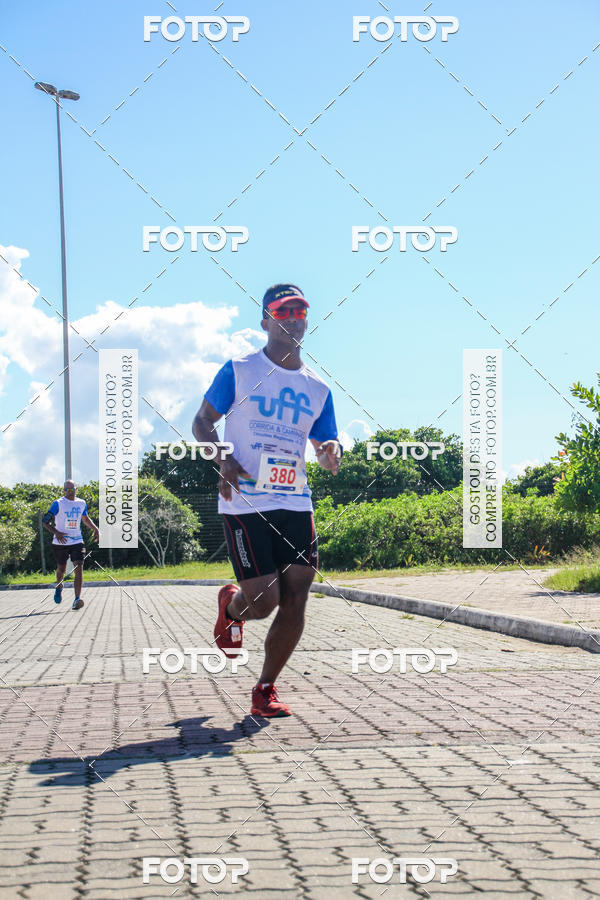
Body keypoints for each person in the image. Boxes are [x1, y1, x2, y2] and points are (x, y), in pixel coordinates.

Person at [192, 284, 342, 718]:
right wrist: (222, 457)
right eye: (284, 310)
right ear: (266, 320)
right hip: (245, 501)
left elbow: (326, 437)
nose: (294, 317)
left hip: (295, 501)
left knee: (297, 593)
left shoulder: (318, 388)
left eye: (300, 310)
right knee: (263, 601)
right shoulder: (239, 370)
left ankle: (265, 688)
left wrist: (331, 449)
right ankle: (232, 606)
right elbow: (202, 422)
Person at [42, 480, 99, 610]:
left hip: (77, 540)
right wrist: (56, 532)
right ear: (63, 491)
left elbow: (85, 518)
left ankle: (77, 599)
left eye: (72, 489)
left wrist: (95, 529)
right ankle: (59, 587)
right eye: (67, 490)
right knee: (61, 569)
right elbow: (45, 522)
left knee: (78, 566)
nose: (70, 492)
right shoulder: (58, 504)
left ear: (76, 489)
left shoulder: (81, 503)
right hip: (61, 542)